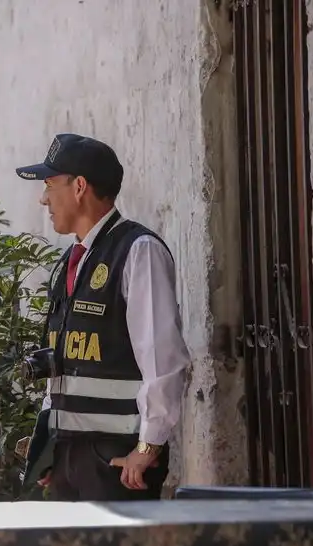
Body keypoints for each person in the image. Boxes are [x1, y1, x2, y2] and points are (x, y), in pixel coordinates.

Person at [16, 133, 191, 501]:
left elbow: (162, 359)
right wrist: (46, 446)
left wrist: (148, 446)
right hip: (69, 457)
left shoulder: (138, 251)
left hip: (116, 462)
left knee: (115, 543)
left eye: (50, 185)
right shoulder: (73, 261)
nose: (43, 199)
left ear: (79, 187)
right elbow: (64, 364)